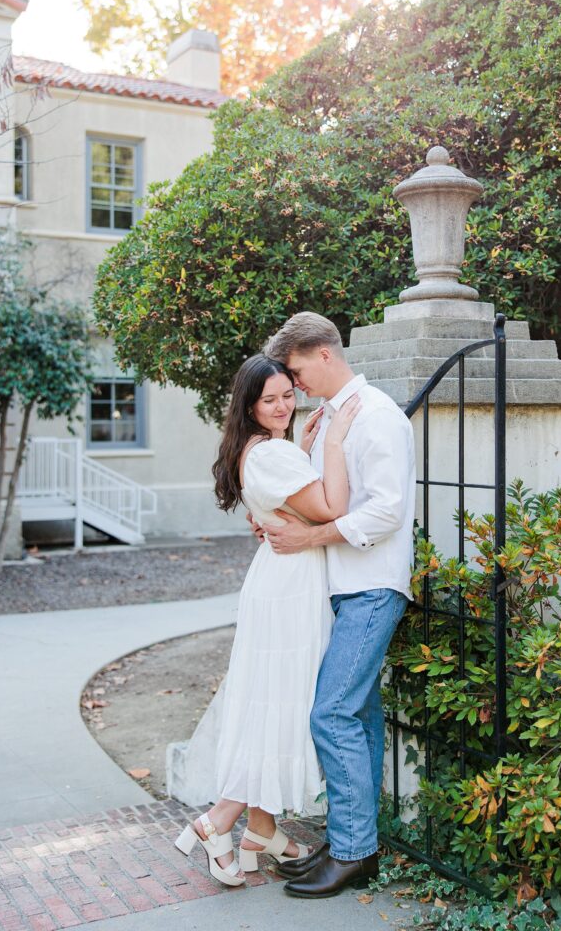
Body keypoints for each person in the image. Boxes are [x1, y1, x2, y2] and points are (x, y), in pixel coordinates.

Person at [173, 352, 360, 887]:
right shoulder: (272, 453)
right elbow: (332, 507)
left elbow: (287, 494)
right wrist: (332, 440)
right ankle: (219, 822)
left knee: (273, 703)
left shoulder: (261, 449)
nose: (282, 406)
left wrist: (301, 446)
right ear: (250, 406)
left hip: (281, 579)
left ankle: (259, 832)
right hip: (290, 585)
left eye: (287, 395)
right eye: (270, 400)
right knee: (280, 706)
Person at [258, 312, 416, 899]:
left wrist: (310, 537)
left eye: (296, 370)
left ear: (322, 353)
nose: (293, 383)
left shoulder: (374, 415)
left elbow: (386, 513)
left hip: (373, 586)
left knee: (330, 714)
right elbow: (323, 500)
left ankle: (352, 852)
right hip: (344, 587)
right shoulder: (328, 418)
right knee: (360, 717)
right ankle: (354, 843)